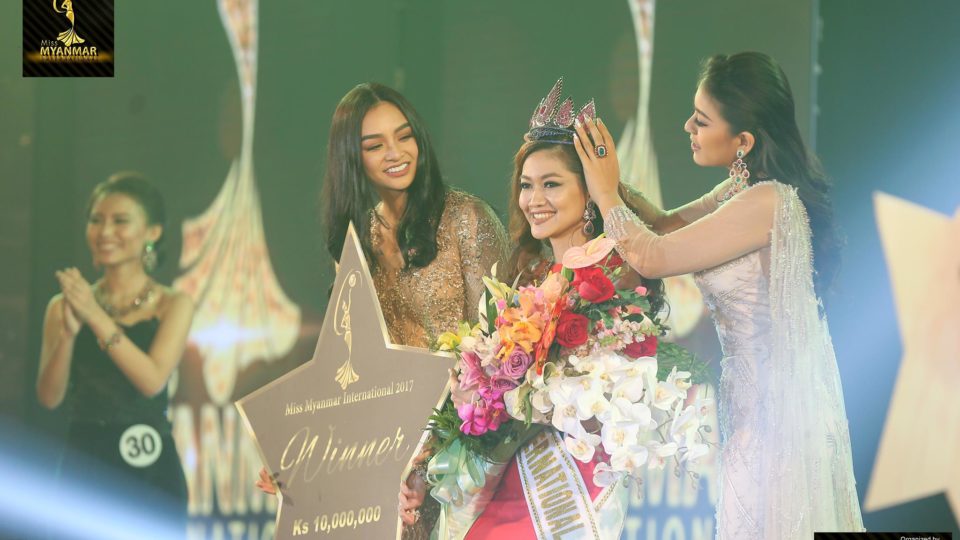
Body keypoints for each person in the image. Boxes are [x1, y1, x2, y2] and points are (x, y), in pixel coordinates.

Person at [576, 52, 864, 538]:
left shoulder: (767, 201)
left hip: (775, 425)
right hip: (752, 410)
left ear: (744, 141)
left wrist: (605, 195)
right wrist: (607, 178)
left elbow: (654, 255)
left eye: (701, 120)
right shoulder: (741, 189)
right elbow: (664, 225)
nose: (687, 125)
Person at [400, 79, 666, 539]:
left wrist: (527, 397)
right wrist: (430, 463)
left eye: (551, 184)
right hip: (510, 476)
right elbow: (481, 392)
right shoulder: (525, 277)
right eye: (526, 185)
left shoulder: (616, 272)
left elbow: (609, 389)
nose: (534, 200)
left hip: (573, 480)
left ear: (588, 192)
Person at [255, 82, 510, 540]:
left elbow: (501, 355)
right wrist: (300, 461)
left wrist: (434, 455)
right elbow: (348, 371)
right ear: (352, 159)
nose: (396, 152)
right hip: (385, 461)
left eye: (404, 136)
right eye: (375, 145)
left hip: (464, 457)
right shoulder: (357, 239)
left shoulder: (467, 219)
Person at [36, 172, 194, 530]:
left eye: (120, 221)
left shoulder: (173, 304)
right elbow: (48, 397)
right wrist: (68, 334)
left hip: (149, 463)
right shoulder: (63, 305)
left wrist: (94, 315)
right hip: (84, 456)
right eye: (96, 220)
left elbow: (152, 380)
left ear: (152, 232)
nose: (105, 232)